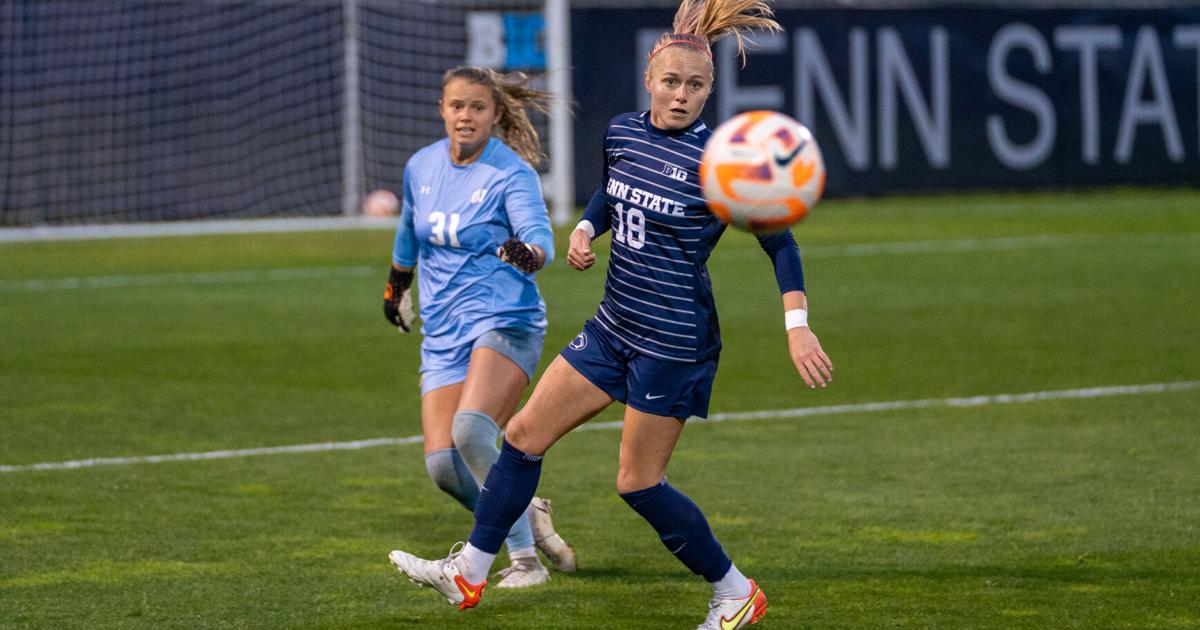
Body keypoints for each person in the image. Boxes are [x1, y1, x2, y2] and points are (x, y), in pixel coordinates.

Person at [388, 1, 833, 626]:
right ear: (649, 80)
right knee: (520, 437)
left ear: (710, 91)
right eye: (671, 82)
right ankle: (469, 573)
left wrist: (797, 325)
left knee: (637, 484)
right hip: (613, 324)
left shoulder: (722, 164)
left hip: (674, 342)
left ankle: (735, 591)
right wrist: (588, 226)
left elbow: (780, 243)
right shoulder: (622, 130)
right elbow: (611, 187)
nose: (681, 95)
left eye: (696, 86)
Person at [382, 66, 576, 589]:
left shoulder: (510, 173)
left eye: (477, 107)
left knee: (472, 432)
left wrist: (527, 253)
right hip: (443, 331)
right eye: (456, 106)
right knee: (444, 466)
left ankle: (525, 563)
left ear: (495, 115)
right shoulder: (421, 166)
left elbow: (539, 239)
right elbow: (409, 231)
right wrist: (396, 285)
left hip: (504, 320)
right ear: (441, 109)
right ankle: (525, 512)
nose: (465, 115)